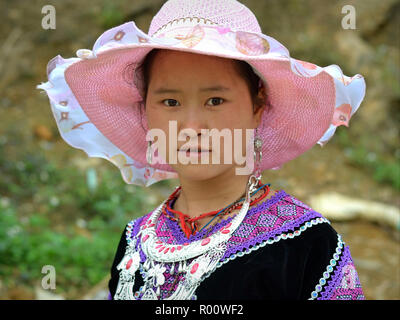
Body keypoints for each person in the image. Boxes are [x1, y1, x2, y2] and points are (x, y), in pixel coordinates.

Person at [37, 0, 366, 300]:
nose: (191, 126)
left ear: (257, 105)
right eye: (170, 102)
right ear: (145, 112)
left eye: (215, 101)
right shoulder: (135, 241)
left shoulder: (306, 245)